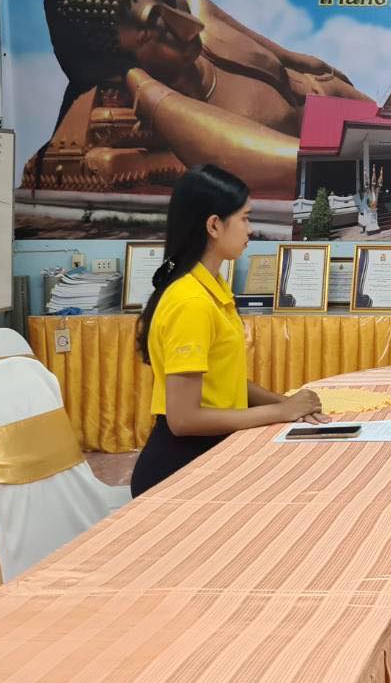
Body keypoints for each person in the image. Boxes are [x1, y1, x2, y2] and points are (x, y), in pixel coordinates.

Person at [131, 165, 324, 497]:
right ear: (214, 225)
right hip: (180, 471)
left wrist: (287, 403)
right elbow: (184, 419)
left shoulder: (211, 288)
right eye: (245, 218)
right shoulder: (191, 301)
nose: (250, 229)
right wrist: (280, 411)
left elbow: (223, 381)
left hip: (211, 454)